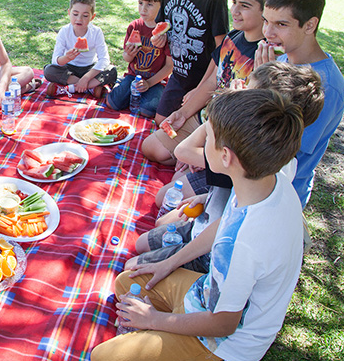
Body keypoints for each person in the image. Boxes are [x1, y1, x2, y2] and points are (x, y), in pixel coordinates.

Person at [92, 89, 306, 361]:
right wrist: (169, 264)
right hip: (205, 297)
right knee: (129, 280)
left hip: (224, 345)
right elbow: (223, 225)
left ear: (226, 157)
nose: (203, 143)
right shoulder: (265, 180)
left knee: (102, 359)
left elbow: (223, 325)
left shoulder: (242, 245)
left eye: (209, 137)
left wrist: (154, 320)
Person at [127, 61, 324, 272]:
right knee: (143, 242)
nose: (241, 91)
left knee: (132, 267)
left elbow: (184, 152)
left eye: (248, 92)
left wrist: (225, 109)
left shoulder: (247, 157)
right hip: (207, 219)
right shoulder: (265, 152)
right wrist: (203, 198)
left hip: (211, 246)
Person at [147, 0, 279, 165]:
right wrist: (183, 114)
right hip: (205, 119)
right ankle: (194, 160)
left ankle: (205, 165)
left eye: (244, 6)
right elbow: (212, 80)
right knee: (151, 148)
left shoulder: (267, 55)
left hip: (228, 134)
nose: (234, 11)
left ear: (266, 11)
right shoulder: (233, 38)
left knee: (178, 182)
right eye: (234, 2)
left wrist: (200, 152)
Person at [142, 0, 229, 165]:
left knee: (171, 132)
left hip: (201, 81)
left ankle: (193, 158)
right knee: (161, 120)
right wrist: (160, 40)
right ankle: (183, 153)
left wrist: (201, 90)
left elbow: (223, 50)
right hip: (179, 76)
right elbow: (165, 31)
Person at [255, 0, 344, 207]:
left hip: (278, 193)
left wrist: (259, 94)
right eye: (266, 21)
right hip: (252, 176)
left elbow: (283, 152)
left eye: (281, 24)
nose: (268, 32)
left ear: (310, 25)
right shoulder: (284, 58)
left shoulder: (325, 86)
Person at [106, 0, 172, 117]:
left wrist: (149, 83)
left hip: (156, 81)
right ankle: (121, 86)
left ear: (163, 6)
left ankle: (151, 96)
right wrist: (129, 54)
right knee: (112, 103)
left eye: (149, 4)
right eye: (140, 3)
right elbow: (126, 58)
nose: (143, 9)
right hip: (133, 76)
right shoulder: (134, 26)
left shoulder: (167, 32)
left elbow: (169, 67)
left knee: (148, 111)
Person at [44, 0, 118, 99]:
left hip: (90, 69)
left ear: (92, 17)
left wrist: (86, 78)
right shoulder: (64, 31)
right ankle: (91, 88)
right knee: (49, 70)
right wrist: (66, 58)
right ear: (69, 13)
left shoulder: (96, 32)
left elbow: (104, 59)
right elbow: (55, 60)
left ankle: (69, 88)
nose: (79, 19)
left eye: (85, 16)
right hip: (69, 69)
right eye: (75, 14)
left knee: (112, 71)